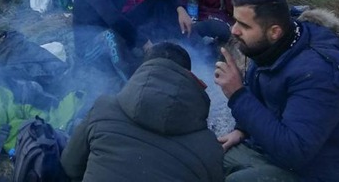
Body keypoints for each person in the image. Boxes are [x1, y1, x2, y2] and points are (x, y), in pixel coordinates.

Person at [214, 0, 339, 181]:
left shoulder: (319, 74)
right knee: (207, 157)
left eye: (244, 25)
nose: (234, 30)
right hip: (272, 155)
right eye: (235, 21)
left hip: (314, 173)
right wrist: (241, 130)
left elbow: (294, 151)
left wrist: (238, 95)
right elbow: (262, 94)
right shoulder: (272, 47)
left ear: (274, 32)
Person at [61, 42, 224, 182]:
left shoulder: (103, 108)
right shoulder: (209, 147)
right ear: (189, 78)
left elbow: (69, 166)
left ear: (143, 69)